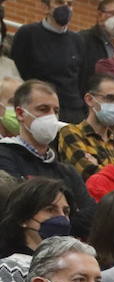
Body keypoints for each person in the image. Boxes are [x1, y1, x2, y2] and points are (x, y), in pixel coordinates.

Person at [0, 81, 97, 232]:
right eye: (43, 109)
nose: (51, 117)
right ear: (20, 113)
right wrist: (69, 216)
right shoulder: (4, 156)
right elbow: (16, 209)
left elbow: (91, 217)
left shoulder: (67, 171)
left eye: (55, 111)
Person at [10, 0, 85, 122]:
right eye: (59, 2)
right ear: (45, 7)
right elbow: (18, 72)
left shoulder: (77, 40)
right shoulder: (27, 33)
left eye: (70, 4)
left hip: (72, 111)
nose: (65, 7)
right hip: (41, 109)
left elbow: (81, 78)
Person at [55, 73, 114, 179]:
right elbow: (89, 174)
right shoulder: (72, 132)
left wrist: (100, 167)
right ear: (89, 99)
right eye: (110, 98)